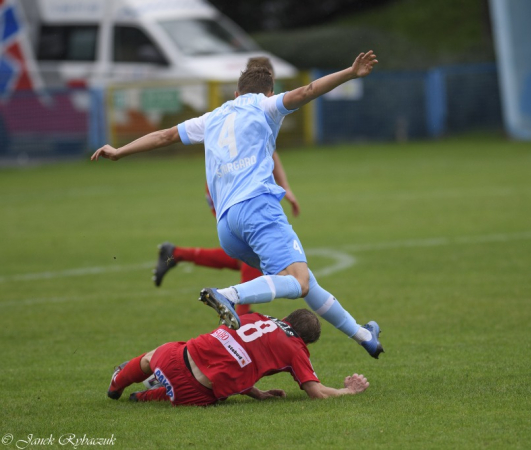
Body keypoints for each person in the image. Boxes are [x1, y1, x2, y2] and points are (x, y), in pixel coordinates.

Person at [91, 51, 384, 359]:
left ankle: (364, 335)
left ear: (235, 94)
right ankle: (229, 295)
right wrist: (350, 73)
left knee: (304, 281)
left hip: (227, 227)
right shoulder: (267, 105)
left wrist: (120, 151)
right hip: (258, 209)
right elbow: (308, 91)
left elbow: (165, 136)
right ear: (269, 92)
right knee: (297, 281)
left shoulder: (213, 117)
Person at [152, 57, 300, 318]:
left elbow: (269, 152)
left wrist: (285, 186)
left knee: (246, 251)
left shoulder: (244, 107)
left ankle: (177, 254)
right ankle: (237, 314)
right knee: (254, 247)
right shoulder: (253, 108)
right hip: (232, 188)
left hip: (228, 187)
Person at [107, 309, 370, 405]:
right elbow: (318, 393)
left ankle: (118, 382)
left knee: (152, 356)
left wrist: (258, 393)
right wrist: (349, 391)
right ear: (306, 341)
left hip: (172, 357)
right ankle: (145, 397)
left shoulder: (255, 317)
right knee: (213, 392)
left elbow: (234, 357)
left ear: (287, 318)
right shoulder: (296, 348)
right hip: (193, 393)